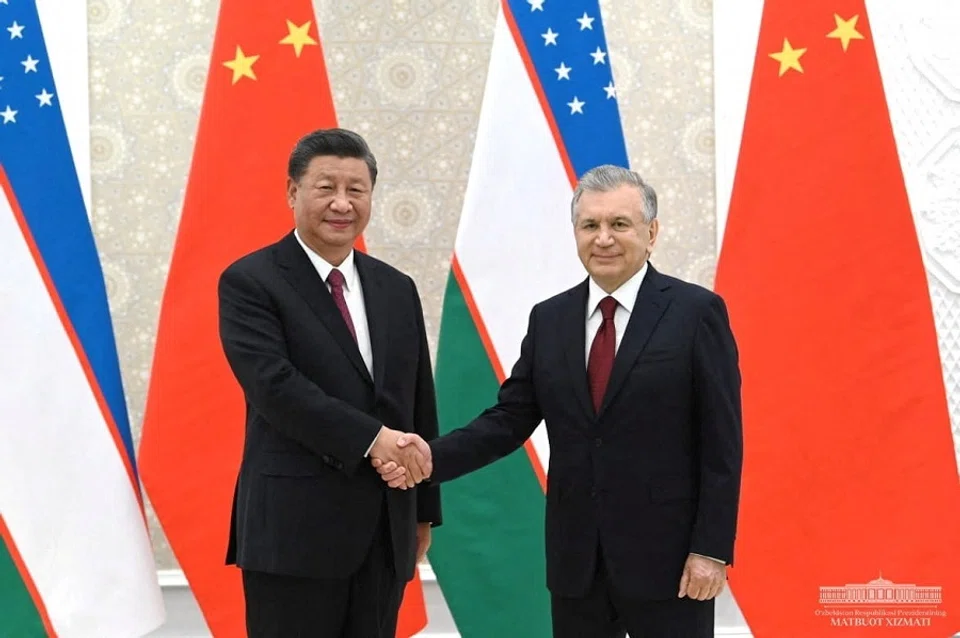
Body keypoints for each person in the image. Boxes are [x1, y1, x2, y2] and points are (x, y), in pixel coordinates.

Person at [374, 165, 743, 637]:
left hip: (671, 564)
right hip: (577, 562)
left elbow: (722, 444)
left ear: (651, 233)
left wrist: (711, 550)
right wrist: (428, 457)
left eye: (619, 224)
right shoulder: (550, 319)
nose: (603, 238)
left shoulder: (696, 313)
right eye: (590, 225)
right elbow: (509, 419)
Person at [217, 128, 440, 638]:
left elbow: (417, 400)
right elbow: (275, 388)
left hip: (384, 529)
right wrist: (373, 439)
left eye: (356, 190)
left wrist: (423, 509)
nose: (342, 203)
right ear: (293, 192)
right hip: (293, 531)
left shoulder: (395, 288)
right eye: (326, 187)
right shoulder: (251, 282)